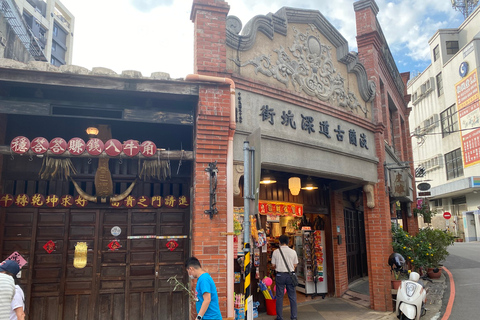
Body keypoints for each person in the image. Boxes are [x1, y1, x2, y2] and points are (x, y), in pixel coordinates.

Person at [271, 235, 299, 320]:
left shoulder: (275, 252)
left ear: (279, 242)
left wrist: (277, 267)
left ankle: (279, 317)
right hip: (290, 275)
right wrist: (291, 269)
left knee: (279, 296)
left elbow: (273, 265)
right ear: (288, 242)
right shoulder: (293, 252)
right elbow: (295, 264)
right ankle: (294, 317)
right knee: (292, 297)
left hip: (280, 275)